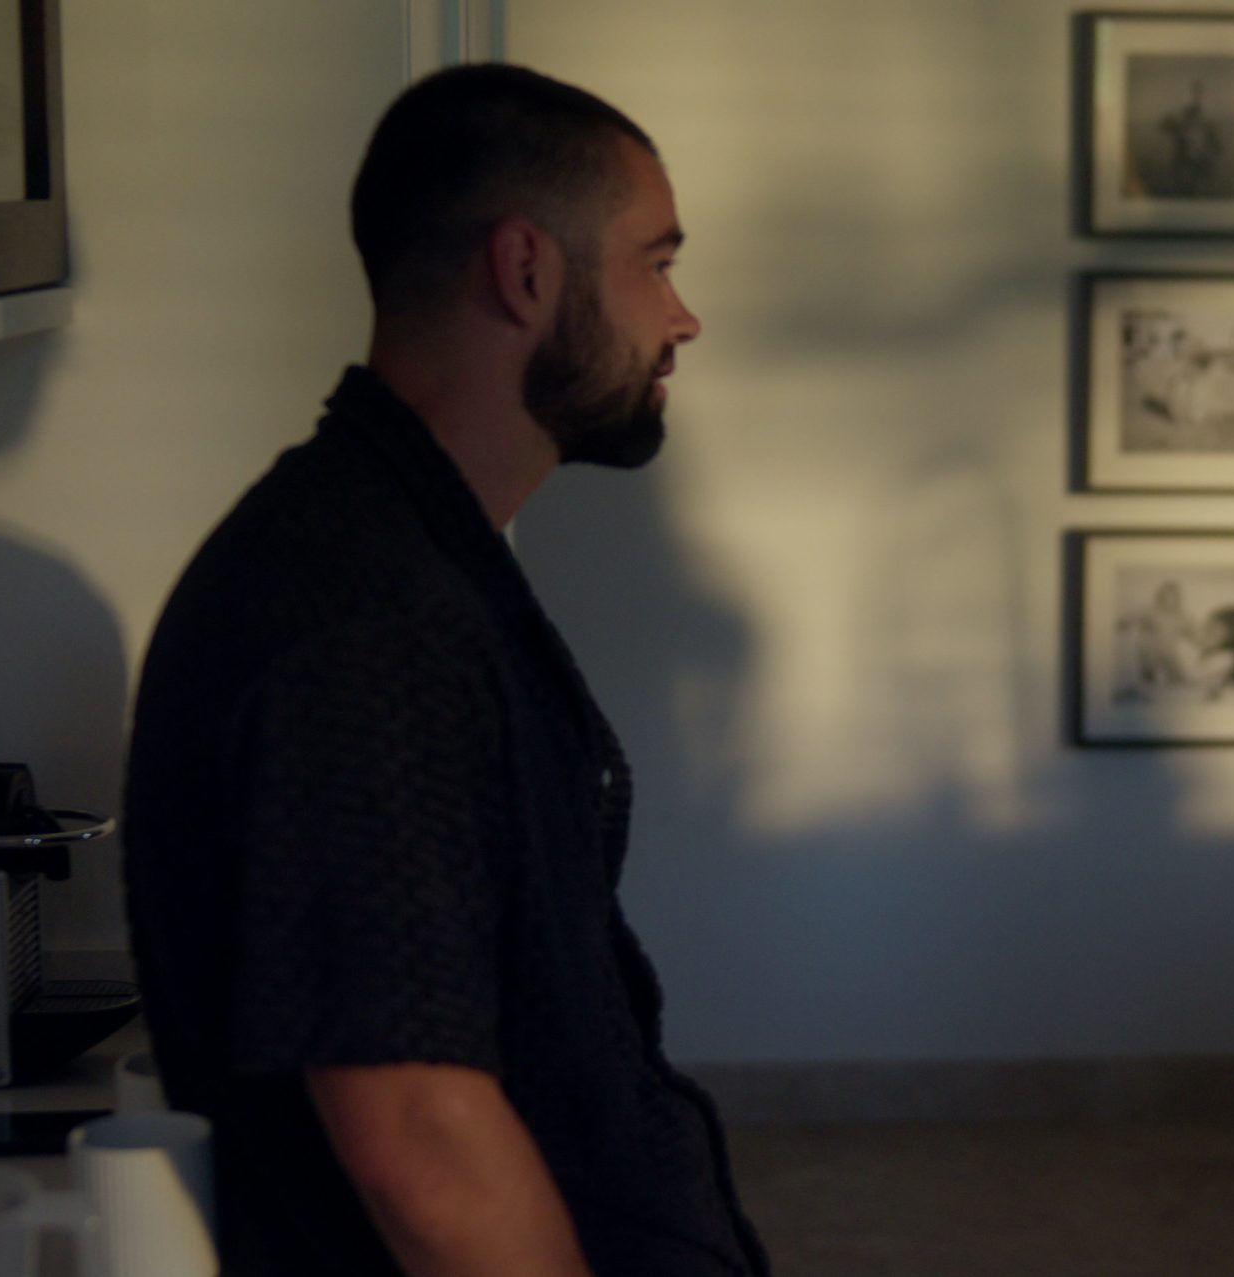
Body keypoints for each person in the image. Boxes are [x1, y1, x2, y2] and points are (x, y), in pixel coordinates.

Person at [121, 65, 766, 1276]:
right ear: (525, 269)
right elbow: (420, 1139)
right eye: (655, 263)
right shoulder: (364, 616)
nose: (682, 318)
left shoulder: (408, 552)